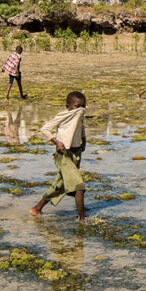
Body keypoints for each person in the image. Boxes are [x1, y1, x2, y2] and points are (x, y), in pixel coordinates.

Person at [30, 91, 88, 221]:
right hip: (63, 154)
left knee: (60, 184)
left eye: (83, 106)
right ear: (68, 106)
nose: (80, 110)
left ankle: (37, 208)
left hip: (76, 154)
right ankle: (82, 218)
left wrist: (84, 142)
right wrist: (56, 142)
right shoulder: (63, 115)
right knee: (79, 186)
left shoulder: (80, 116)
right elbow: (45, 129)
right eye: (77, 106)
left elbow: (81, 128)